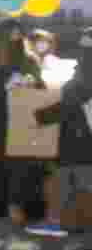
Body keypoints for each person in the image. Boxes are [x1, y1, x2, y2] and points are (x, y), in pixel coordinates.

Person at [0, 17, 46, 225]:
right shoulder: (29, 60)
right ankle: (16, 206)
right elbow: (41, 89)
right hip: (20, 118)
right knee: (19, 165)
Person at [29, 26, 92, 237]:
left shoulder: (87, 68)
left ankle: (63, 222)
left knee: (75, 179)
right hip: (79, 133)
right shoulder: (83, 67)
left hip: (79, 136)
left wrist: (40, 117)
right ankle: (71, 222)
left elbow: (75, 98)